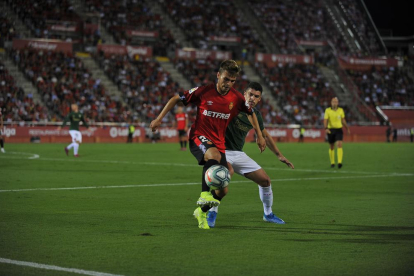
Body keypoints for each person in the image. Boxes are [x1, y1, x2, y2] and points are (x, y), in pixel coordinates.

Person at [150, 60, 266, 230]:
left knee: (223, 189)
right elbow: (176, 98)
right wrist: (159, 118)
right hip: (198, 137)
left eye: (232, 81)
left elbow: (251, 113)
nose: (229, 84)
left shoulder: (236, 98)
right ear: (218, 75)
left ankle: (201, 211)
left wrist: (259, 135)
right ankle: (204, 194)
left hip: (218, 143)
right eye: (226, 79)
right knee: (214, 155)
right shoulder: (203, 91)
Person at [207, 82, 294, 228]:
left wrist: (279, 155)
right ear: (244, 94)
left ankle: (268, 214)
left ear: (260, 99)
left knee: (265, 181)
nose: (252, 98)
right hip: (220, 151)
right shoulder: (232, 106)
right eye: (250, 94)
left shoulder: (256, 115)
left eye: (256, 96)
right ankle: (212, 211)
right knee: (226, 173)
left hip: (238, 153)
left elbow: (265, 135)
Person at [323, 97, 350, 169]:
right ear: (331, 103)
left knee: (339, 144)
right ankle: (332, 162)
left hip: (338, 129)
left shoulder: (341, 110)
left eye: (336, 102)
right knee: (331, 146)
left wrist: (347, 128)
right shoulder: (327, 110)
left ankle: (339, 162)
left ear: (338, 103)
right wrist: (326, 128)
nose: (334, 103)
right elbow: (325, 120)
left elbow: (343, 120)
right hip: (331, 130)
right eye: (333, 101)